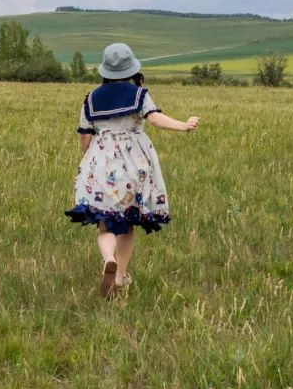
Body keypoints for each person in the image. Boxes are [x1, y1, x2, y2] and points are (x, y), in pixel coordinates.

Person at [64, 43, 199, 298]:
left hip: (100, 163)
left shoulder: (91, 99)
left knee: (105, 226)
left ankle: (107, 258)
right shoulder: (138, 95)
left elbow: (84, 138)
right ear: (131, 69)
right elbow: (156, 119)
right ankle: (121, 276)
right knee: (127, 224)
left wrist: (90, 160)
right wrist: (184, 125)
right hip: (133, 166)